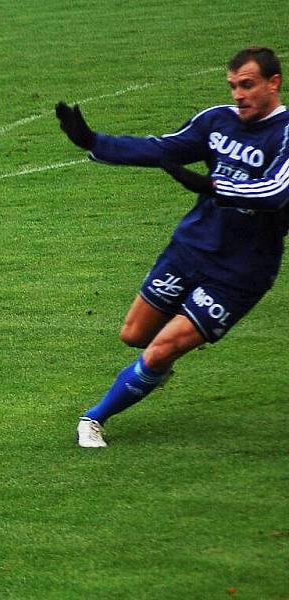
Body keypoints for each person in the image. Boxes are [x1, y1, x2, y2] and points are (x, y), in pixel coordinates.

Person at [55, 47, 289, 448]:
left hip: (241, 270)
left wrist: (212, 185)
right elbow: (163, 149)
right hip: (192, 247)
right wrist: (95, 141)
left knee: (162, 348)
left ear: (273, 83)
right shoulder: (217, 121)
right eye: (233, 86)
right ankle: (154, 366)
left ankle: (93, 418)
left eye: (247, 85)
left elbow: (276, 192)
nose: (238, 95)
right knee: (134, 334)